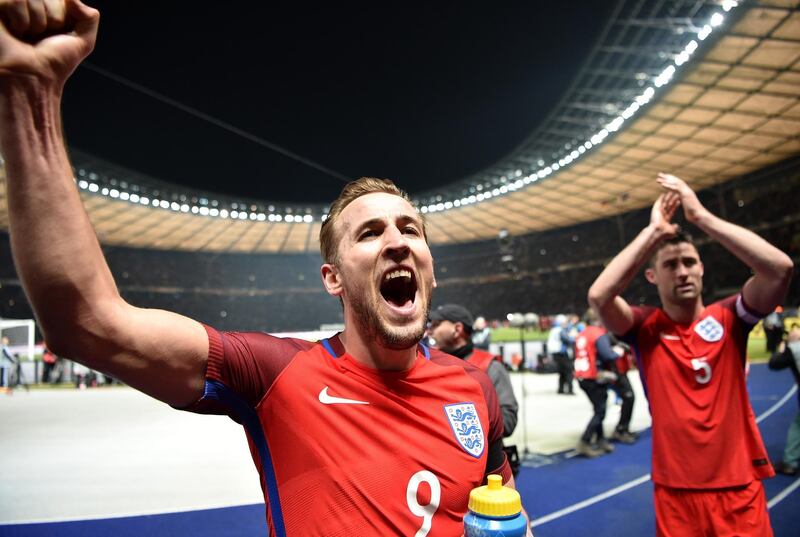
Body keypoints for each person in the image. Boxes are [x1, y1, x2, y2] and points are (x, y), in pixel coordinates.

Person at [0, 3, 533, 536]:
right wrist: (30, 91)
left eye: (410, 229)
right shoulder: (276, 373)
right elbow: (87, 323)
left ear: (430, 269)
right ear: (333, 279)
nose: (396, 242)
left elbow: (506, 514)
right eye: (370, 233)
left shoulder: (474, 386)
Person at [588, 173, 793, 537]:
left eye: (688, 262)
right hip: (675, 491)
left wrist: (700, 217)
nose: (681, 271)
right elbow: (599, 297)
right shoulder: (644, 327)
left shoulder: (731, 317)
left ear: (701, 268)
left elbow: (780, 269)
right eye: (670, 265)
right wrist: (654, 232)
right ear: (651, 276)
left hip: (738, 485)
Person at [429, 304, 519, 437]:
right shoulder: (429, 364)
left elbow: (508, 421)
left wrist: (453, 422)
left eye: (436, 325)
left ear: (457, 329)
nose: (430, 331)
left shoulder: (490, 367)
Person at [572, 323, 619, 457]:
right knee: (600, 411)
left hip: (581, 375)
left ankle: (601, 439)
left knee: (598, 409)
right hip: (592, 376)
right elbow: (608, 355)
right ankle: (584, 441)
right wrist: (618, 352)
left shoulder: (582, 334)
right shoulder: (598, 333)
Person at [768, 327, 800, 476]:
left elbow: (774, 363)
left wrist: (782, 349)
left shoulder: (794, 349)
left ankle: (790, 462)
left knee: (798, 426)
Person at [607, 335, 637, 444]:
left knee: (629, 398)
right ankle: (620, 429)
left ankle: (623, 428)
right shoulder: (610, 334)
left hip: (621, 370)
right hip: (616, 371)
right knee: (629, 397)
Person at [547, 315, 574, 394]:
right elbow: (567, 340)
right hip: (562, 353)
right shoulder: (560, 330)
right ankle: (570, 389)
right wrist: (573, 338)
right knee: (569, 371)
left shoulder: (554, 329)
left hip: (556, 353)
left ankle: (561, 389)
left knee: (562, 372)